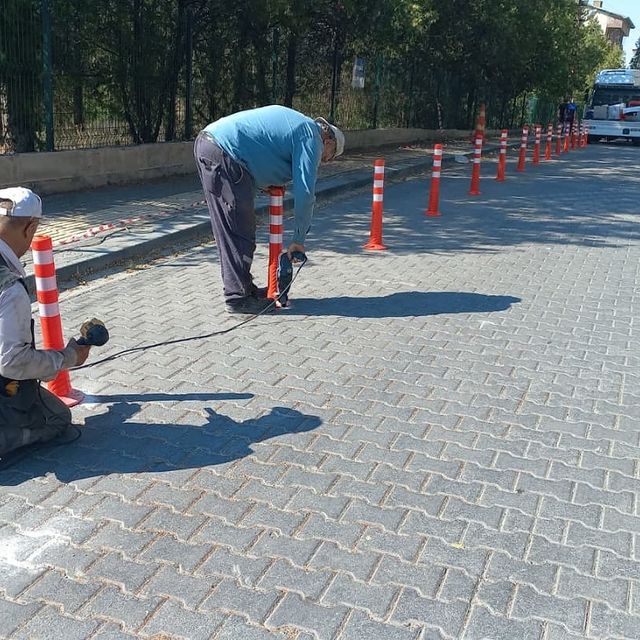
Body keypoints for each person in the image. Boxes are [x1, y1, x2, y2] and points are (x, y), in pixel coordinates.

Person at [194, 105, 345, 314]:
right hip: (224, 153)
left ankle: (244, 290)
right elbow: (305, 193)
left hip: (212, 145)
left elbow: (262, 152)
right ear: (328, 141)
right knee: (239, 232)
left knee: (232, 229)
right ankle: (237, 299)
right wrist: (299, 240)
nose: (323, 160)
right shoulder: (311, 136)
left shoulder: (299, 125)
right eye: (328, 157)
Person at [0, 187, 91, 457]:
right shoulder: (8, 288)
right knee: (58, 417)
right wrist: (69, 357)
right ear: (29, 227)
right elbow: (12, 362)